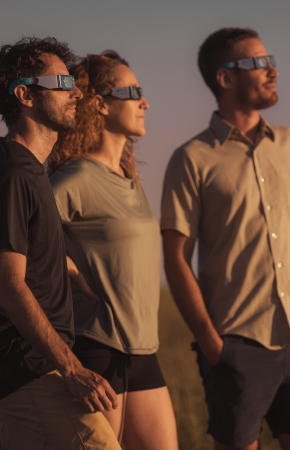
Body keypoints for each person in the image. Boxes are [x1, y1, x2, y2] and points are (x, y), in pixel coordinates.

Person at [161, 28, 290, 450]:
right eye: (258, 63)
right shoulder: (191, 159)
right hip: (235, 347)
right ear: (225, 78)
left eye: (269, 59)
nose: (273, 70)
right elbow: (175, 258)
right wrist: (211, 342)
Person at [48, 51, 178, 450]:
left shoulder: (130, 180)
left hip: (143, 351)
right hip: (96, 348)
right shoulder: (77, 176)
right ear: (101, 103)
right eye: (133, 91)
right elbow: (21, 236)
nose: (145, 102)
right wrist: (66, 268)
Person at [0, 37, 121, 450]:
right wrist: (71, 369)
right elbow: (9, 283)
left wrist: (76, 275)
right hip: (33, 372)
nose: (78, 91)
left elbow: (26, 254)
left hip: (32, 373)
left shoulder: (30, 171)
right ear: (24, 94)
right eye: (62, 82)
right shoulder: (14, 171)